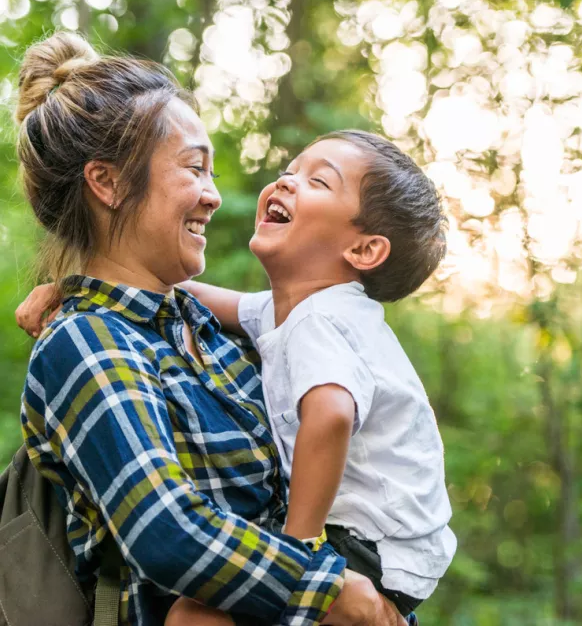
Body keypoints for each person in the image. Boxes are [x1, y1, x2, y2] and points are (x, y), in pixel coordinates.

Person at [13, 31, 405, 626]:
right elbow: (168, 532)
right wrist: (336, 595)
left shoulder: (214, 332)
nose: (214, 196)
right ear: (108, 183)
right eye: (194, 168)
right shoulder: (85, 342)